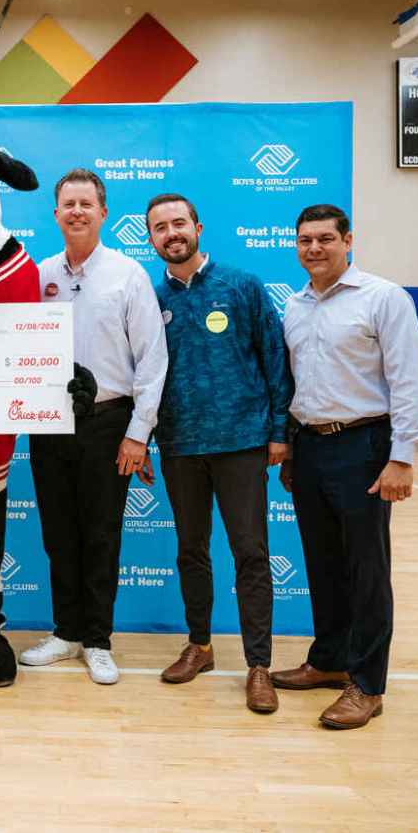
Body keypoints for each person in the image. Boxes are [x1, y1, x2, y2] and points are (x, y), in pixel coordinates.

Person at [275, 204, 418, 730]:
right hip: (312, 447)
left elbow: (409, 380)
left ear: (348, 240)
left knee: (367, 570)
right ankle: (329, 661)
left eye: (324, 239)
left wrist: (402, 457)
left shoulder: (384, 299)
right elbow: (297, 384)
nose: (313, 248)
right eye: (304, 240)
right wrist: (293, 448)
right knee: (323, 563)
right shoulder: (294, 306)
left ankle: (367, 684)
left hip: (364, 445)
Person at [147, 194, 293, 713]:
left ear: (198, 226)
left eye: (179, 223)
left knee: (251, 553)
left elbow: (275, 360)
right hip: (180, 444)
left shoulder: (243, 285)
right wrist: (141, 437)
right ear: (151, 238)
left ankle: (259, 666)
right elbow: (141, 375)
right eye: (160, 228)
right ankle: (200, 646)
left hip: (241, 443)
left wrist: (280, 433)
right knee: (191, 550)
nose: (172, 233)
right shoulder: (148, 296)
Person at [23, 169, 168, 684]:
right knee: (58, 534)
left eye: (87, 203)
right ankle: (66, 632)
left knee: (102, 534)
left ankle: (98, 639)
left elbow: (152, 359)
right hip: (50, 422)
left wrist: (138, 433)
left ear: (103, 213)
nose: (78, 211)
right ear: (56, 214)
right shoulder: (40, 276)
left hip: (110, 423)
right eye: (69, 204)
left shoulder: (128, 275)